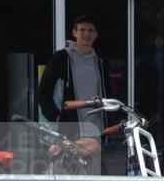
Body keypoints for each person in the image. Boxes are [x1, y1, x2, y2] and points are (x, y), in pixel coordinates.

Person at [37, 14, 113, 158]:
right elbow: (43, 92)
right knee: (65, 167)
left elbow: (107, 92)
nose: (87, 34)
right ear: (74, 32)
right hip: (68, 129)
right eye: (82, 29)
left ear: (96, 34)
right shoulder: (61, 58)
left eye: (91, 30)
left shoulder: (100, 61)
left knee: (92, 172)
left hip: (94, 128)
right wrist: (57, 117)